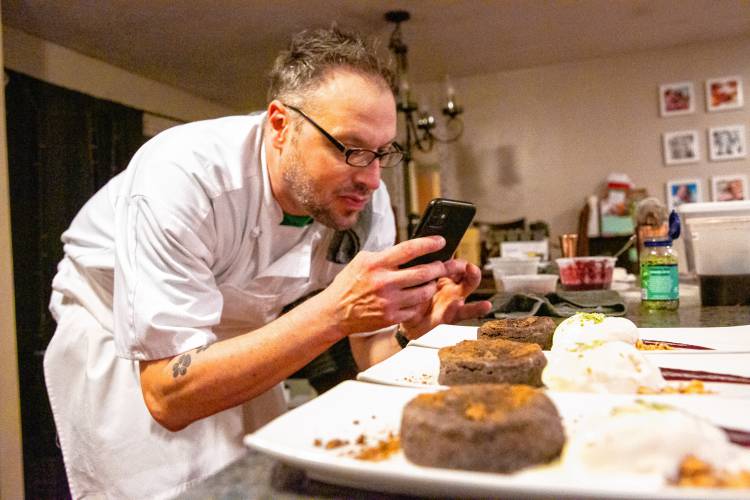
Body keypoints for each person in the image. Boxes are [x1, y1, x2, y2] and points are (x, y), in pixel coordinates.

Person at [45, 26, 491, 499]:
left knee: (267, 479)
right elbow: (166, 395)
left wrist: (412, 331)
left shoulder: (364, 203)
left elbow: (371, 350)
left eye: (382, 153)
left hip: (246, 336)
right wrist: (334, 312)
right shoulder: (183, 177)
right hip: (124, 341)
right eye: (350, 149)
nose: (371, 179)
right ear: (281, 125)